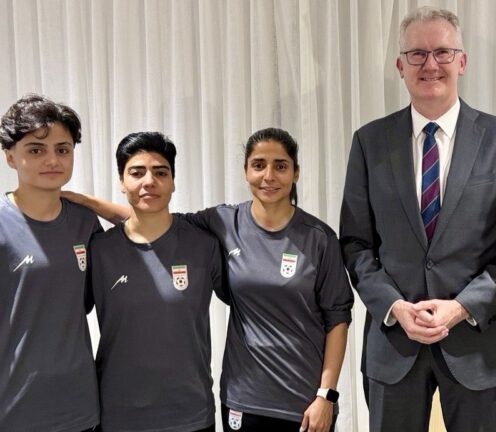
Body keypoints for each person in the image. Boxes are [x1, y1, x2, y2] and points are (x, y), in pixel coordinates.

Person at [67, 127, 353, 432]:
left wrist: (327, 393)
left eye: (280, 166)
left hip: (301, 399)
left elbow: (337, 317)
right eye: (258, 165)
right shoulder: (221, 223)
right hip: (240, 399)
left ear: (296, 173)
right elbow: (151, 217)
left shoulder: (318, 238)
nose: (269, 176)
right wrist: (85, 202)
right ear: (245, 172)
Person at [339, 6, 496, 432]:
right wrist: (393, 305)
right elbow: (356, 245)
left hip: (480, 347)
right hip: (395, 346)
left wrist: (462, 307)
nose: (430, 64)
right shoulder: (369, 142)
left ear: (462, 61)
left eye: (443, 52)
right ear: (400, 66)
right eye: (417, 54)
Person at [88, 132, 225, 431]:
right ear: (121, 182)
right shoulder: (98, 250)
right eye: (136, 173)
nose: (149, 181)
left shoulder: (204, 246)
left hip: (190, 414)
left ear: (173, 181)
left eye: (160, 172)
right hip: (117, 414)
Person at [0, 94, 101, 431]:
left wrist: (91, 203)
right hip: (14, 408)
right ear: (9, 157)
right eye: (35, 149)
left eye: (63, 149)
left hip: (81, 407)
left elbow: (153, 227)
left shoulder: (85, 223)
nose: (52, 159)